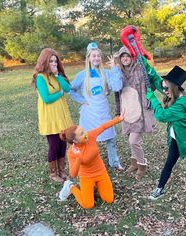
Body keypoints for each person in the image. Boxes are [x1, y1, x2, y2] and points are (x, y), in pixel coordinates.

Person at [144, 62, 186, 200]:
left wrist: (152, 98)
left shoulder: (182, 103)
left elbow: (162, 116)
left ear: (173, 87)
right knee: (169, 163)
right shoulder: (173, 93)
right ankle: (159, 189)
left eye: (166, 86)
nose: (163, 88)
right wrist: (145, 64)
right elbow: (159, 82)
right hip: (177, 138)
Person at [70, 42, 123, 170]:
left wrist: (114, 69)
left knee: (110, 137)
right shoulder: (82, 75)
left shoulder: (106, 72)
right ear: (88, 58)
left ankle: (114, 163)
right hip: (89, 113)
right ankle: (87, 161)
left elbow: (117, 87)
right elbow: (71, 89)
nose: (96, 58)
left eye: (98, 56)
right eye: (93, 56)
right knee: (86, 139)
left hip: (103, 110)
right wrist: (81, 100)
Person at [58, 114, 124, 209]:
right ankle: (70, 187)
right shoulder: (71, 152)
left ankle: (96, 185)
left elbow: (103, 127)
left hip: (101, 172)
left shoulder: (90, 135)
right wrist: (79, 159)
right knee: (88, 205)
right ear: (75, 141)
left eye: (83, 131)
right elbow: (73, 174)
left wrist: (118, 119)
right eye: (81, 134)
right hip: (86, 176)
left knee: (109, 199)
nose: (85, 134)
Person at [114, 46, 157, 180]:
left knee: (134, 140)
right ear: (120, 59)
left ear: (132, 57)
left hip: (140, 110)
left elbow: (151, 84)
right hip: (126, 110)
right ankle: (134, 163)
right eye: (123, 56)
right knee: (129, 138)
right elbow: (116, 94)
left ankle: (142, 164)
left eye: (128, 56)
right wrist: (117, 111)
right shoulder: (118, 72)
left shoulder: (140, 69)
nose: (125, 58)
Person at [32, 48, 73, 183]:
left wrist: (57, 75)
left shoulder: (57, 75)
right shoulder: (40, 77)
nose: (54, 63)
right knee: (54, 146)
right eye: (51, 61)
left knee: (62, 145)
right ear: (44, 61)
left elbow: (67, 88)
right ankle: (53, 173)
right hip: (50, 117)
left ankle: (62, 170)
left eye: (55, 61)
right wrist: (59, 94)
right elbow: (46, 98)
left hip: (61, 115)